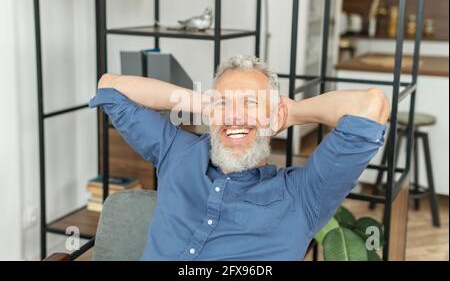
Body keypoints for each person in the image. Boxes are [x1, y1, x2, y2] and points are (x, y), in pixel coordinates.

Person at [89, 55, 389, 260]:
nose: (234, 116)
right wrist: (204, 103)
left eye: (249, 104)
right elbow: (110, 86)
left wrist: (293, 112)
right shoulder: (177, 151)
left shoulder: (305, 194)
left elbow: (371, 106)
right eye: (225, 104)